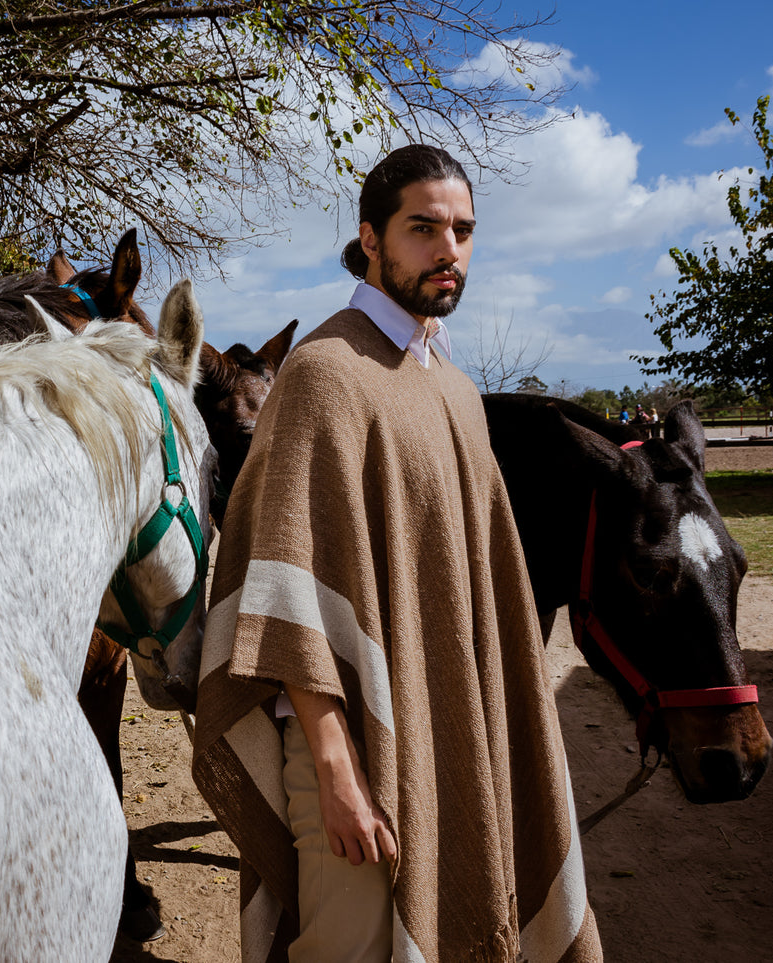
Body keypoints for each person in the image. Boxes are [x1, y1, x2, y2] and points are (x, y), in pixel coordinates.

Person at [192, 144, 601, 963]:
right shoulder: (325, 373)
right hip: (350, 758)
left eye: (462, 230)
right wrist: (341, 779)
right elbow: (289, 600)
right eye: (423, 227)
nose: (447, 248)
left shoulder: (448, 383)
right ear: (371, 239)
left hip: (444, 737)